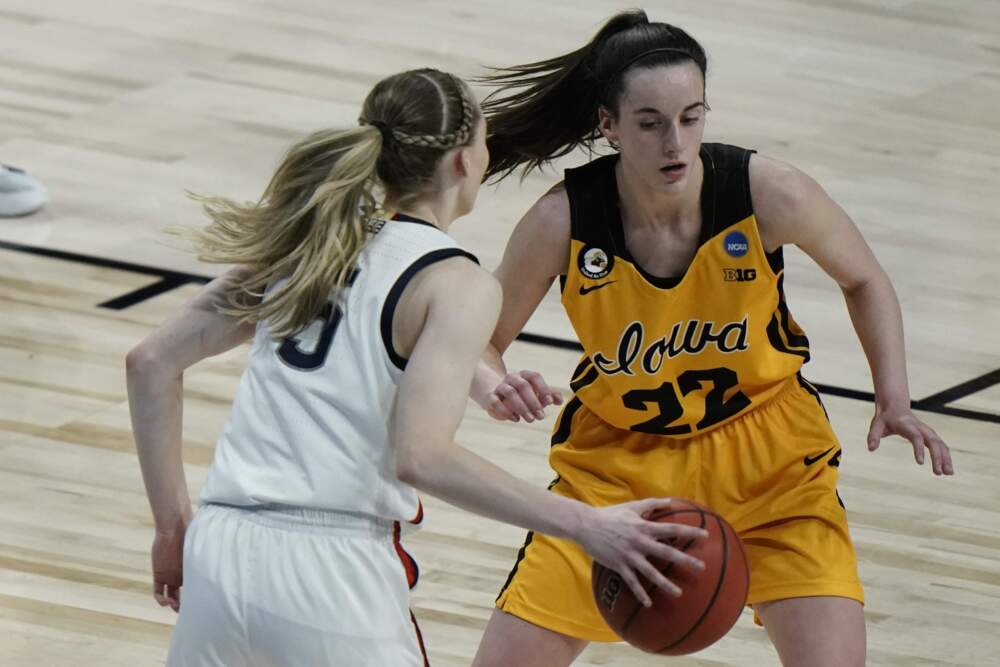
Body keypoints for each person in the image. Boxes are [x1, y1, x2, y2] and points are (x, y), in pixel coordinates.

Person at [125, 67, 708, 667]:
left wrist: (173, 527)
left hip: (221, 549)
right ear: (462, 161)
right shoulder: (458, 281)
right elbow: (422, 457)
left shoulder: (310, 241)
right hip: (330, 572)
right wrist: (588, 526)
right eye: (484, 139)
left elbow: (150, 362)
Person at [468, 10, 954, 667]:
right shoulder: (562, 220)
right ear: (608, 125)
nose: (675, 141)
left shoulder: (767, 193)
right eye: (650, 122)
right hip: (617, 474)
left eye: (691, 116)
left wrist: (892, 395)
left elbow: (864, 277)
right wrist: (496, 385)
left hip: (772, 462)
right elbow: (479, 339)